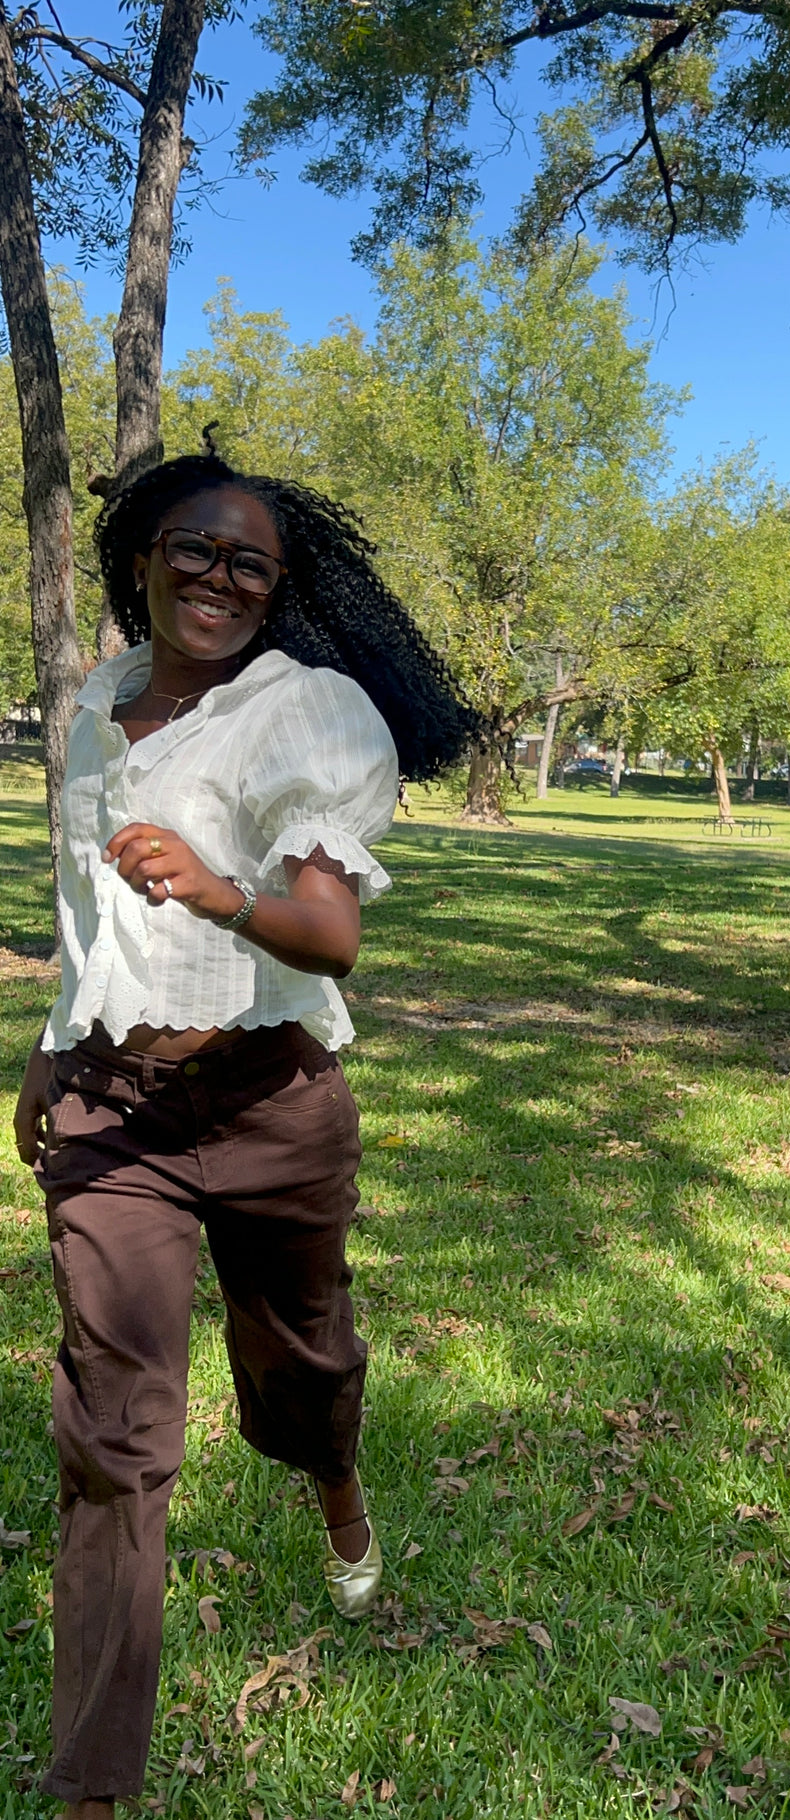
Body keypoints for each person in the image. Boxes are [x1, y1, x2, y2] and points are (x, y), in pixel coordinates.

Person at [12, 453, 477, 1819]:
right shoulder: (96, 704)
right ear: (140, 558)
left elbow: (329, 937)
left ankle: (335, 1483)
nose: (218, 577)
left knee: (303, 1356)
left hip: (271, 1101)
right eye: (193, 549)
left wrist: (217, 891)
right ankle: (92, 1790)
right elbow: (85, 910)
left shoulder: (311, 712)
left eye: (248, 564)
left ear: (277, 589)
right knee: (113, 1437)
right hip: (114, 1112)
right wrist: (50, 1048)